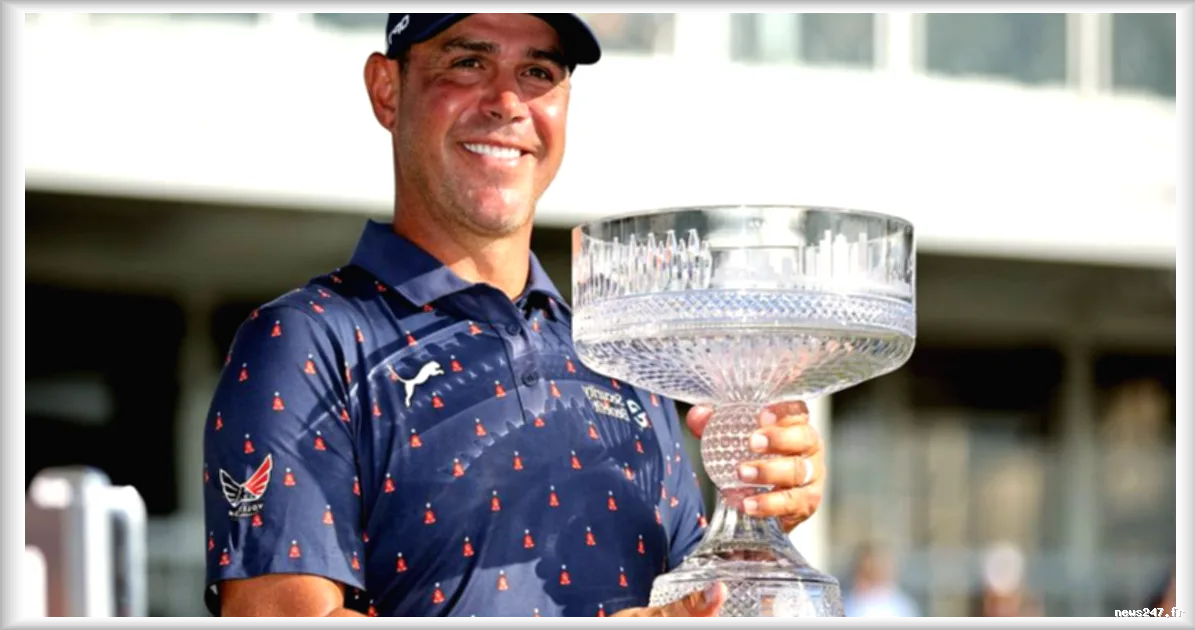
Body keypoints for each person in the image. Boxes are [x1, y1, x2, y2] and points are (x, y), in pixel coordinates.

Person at [201, 12, 827, 618]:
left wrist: (751, 530)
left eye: (538, 73)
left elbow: (684, 600)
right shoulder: (307, 340)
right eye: (468, 62)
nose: (507, 101)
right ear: (386, 91)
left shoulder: (621, 358)